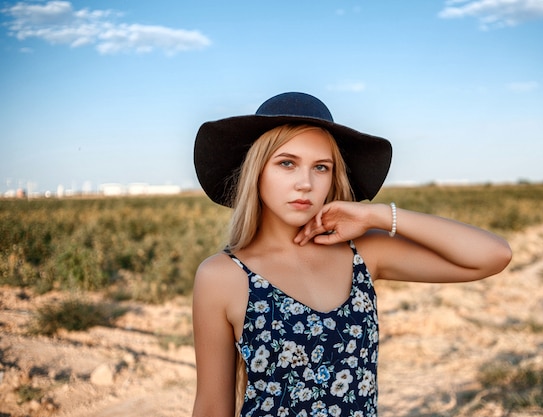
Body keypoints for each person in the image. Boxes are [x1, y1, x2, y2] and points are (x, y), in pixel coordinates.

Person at [191, 92, 512, 417]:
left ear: (333, 177)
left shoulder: (363, 253)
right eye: (287, 163)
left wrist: (377, 216)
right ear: (256, 171)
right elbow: (212, 407)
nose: (305, 183)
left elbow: (492, 255)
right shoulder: (222, 276)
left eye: (321, 167)